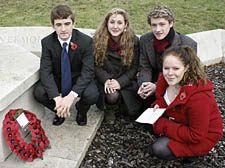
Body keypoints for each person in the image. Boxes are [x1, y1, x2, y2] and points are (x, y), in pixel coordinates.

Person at [150, 45, 223, 164]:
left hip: (202, 136)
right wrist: (157, 106)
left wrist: (163, 124)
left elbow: (196, 135)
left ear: (186, 68)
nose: (170, 73)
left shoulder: (199, 98)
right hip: (181, 121)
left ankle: (193, 155)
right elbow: (161, 99)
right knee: (149, 124)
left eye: (176, 68)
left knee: (159, 148)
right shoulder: (164, 80)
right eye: (166, 68)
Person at [33, 5, 99, 126]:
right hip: (58, 77)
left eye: (67, 24)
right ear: (53, 26)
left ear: (73, 24)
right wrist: (57, 98)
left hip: (77, 77)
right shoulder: (47, 42)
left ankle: (81, 111)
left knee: (92, 95)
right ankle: (59, 111)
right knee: (39, 92)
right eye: (58, 25)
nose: (63, 29)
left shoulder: (85, 41)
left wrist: (71, 96)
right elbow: (45, 71)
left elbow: (88, 71)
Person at [137, 5, 197, 109]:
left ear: (171, 23)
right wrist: (145, 84)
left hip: (176, 83)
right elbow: (144, 67)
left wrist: (157, 86)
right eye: (154, 25)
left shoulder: (187, 44)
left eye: (162, 24)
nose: (157, 29)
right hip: (153, 79)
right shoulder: (145, 40)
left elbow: (187, 75)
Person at [93, 8, 142, 124]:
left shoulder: (133, 41)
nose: (115, 26)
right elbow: (95, 65)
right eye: (112, 22)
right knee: (112, 95)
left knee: (132, 110)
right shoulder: (97, 39)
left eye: (119, 23)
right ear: (106, 23)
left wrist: (120, 82)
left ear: (126, 24)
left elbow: (134, 67)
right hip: (105, 79)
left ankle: (122, 105)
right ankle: (111, 109)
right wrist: (106, 80)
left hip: (125, 78)